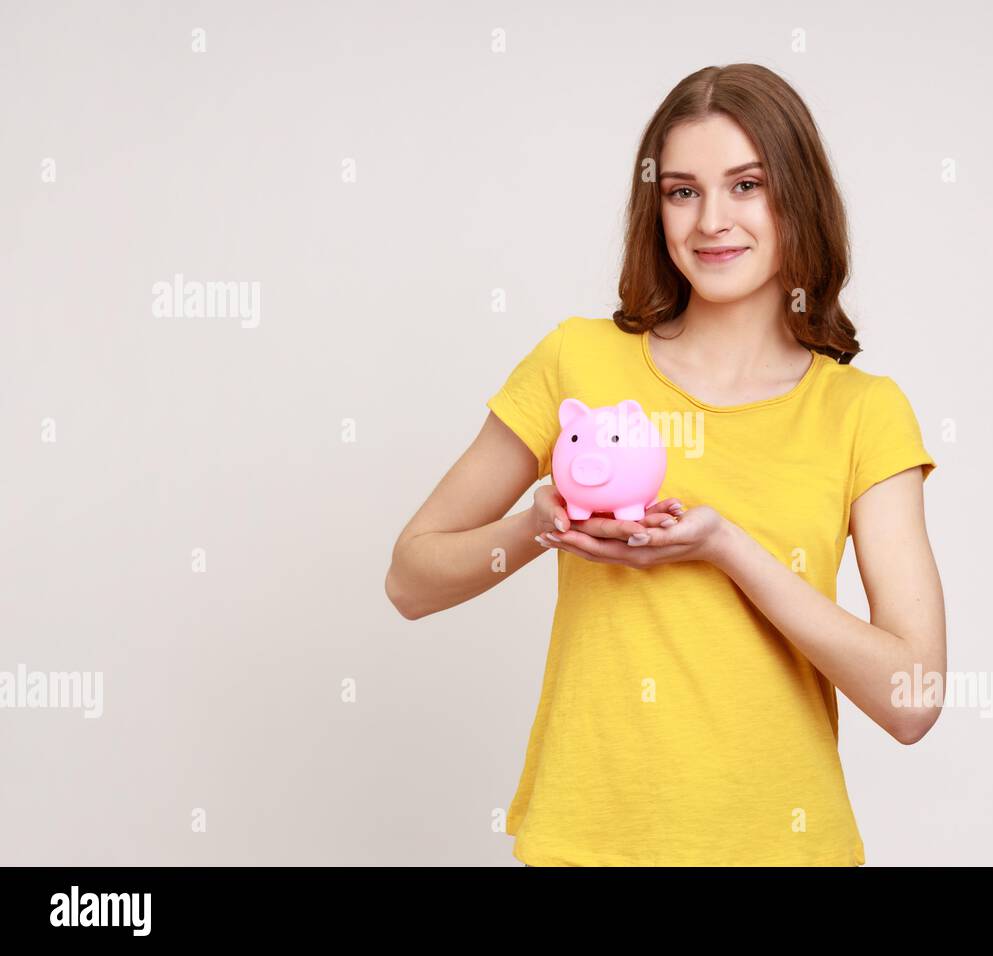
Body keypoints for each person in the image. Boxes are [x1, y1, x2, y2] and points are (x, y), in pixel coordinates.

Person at [385, 63, 945, 867]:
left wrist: (728, 551)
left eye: (746, 185)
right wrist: (536, 527)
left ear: (800, 196)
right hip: (586, 847)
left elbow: (912, 702)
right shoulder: (576, 362)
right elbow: (409, 579)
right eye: (682, 191)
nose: (711, 220)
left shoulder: (862, 411)